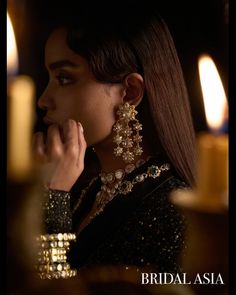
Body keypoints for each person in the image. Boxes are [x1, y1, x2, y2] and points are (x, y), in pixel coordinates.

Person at [32, 2, 196, 280]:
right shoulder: (86, 186)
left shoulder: (172, 214)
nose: (43, 100)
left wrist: (52, 201)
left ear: (130, 93)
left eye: (63, 78)